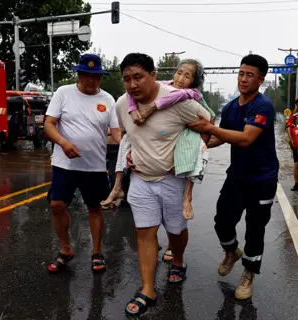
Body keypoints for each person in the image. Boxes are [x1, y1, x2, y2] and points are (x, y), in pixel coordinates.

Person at [116, 53, 211, 317]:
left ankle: (178, 260)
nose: (132, 85)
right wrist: (130, 157)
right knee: (145, 233)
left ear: (153, 76)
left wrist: (191, 154)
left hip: (173, 180)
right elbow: (125, 134)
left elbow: (208, 125)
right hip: (141, 181)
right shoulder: (122, 103)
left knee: (176, 229)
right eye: (127, 79)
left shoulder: (178, 100)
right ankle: (148, 289)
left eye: (138, 77)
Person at [101, 59, 215, 262]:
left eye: (187, 76)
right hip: (142, 177)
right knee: (126, 143)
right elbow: (129, 117)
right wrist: (133, 110)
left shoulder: (189, 96)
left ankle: (186, 199)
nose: (180, 79)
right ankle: (117, 186)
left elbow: (206, 123)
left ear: (194, 82)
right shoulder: (159, 87)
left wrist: (197, 150)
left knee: (176, 228)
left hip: (182, 148)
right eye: (179, 73)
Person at [187, 54, 279, 301]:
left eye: (250, 75)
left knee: (255, 229)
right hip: (237, 176)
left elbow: (247, 138)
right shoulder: (229, 108)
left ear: (260, 80)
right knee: (222, 220)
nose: (244, 79)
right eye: (241, 73)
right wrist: (196, 145)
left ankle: (249, 273)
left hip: (262, 179)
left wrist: (210, 128)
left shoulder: (263, 106)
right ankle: (231, 251)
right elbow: (221, 137)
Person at [44, 53, 121, 273]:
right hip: (64, 164)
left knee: (95, 208)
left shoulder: (107, 99)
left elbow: (115, 131)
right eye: (86, 75)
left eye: (96, 76)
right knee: (57, 205)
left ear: (101, 77)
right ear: (78, 74)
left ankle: (96, 252)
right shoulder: (63, 93)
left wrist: (128, 148)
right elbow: (49, 124)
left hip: (94, 166)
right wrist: (63, 142)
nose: (91, 80)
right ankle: (65, 248)